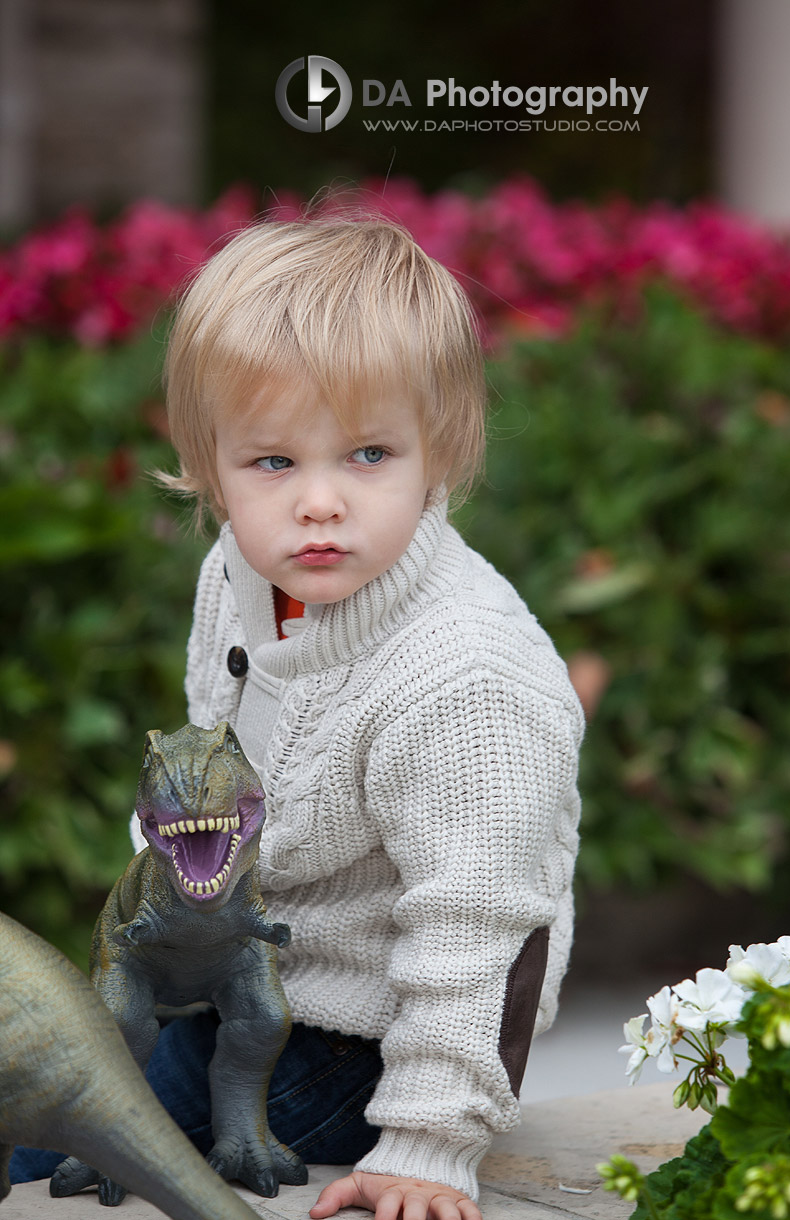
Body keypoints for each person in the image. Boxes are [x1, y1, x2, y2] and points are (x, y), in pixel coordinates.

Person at [12, 215, 584, 1220]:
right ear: (208, 461)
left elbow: (480, 927)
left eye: (368, 453)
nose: (319, 502)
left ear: (435, 447)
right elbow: (213, 763)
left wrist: (427, 1140)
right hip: (245, 977)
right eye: (272, 462)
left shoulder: (467, 679)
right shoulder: (238, 572)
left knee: (44, 1134)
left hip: (361, 1046)